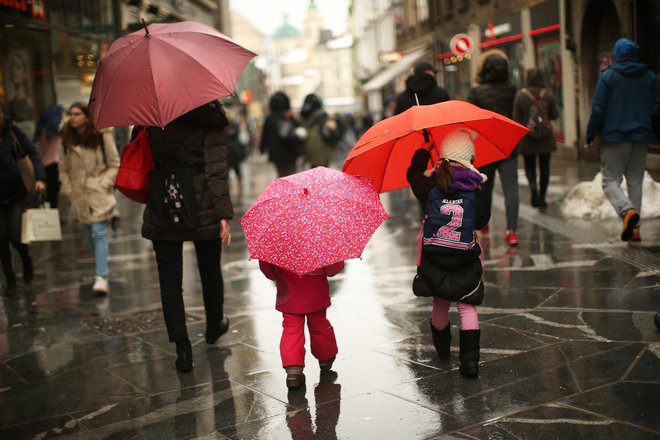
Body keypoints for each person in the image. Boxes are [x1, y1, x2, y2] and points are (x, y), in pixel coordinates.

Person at [141, 100, 232, 373]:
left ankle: (182, 348)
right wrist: (223, 214)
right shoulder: (211, 116)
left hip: (163, 200)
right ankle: (214, 324)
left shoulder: (150, 113)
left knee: (170, 280)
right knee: (209, 271)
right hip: (202, 202)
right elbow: (216, 170)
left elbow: (141, 155)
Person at [406, 127, 491, 378]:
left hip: (435, 257)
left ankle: (443, 350)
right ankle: (470, 363)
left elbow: (411, 174)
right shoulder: (477, 187)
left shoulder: (430, 183)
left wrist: (423, 152)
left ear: (443, 157)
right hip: (464, 257)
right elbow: (481, 221)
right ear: (470, 159)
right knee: (467, 307)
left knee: (440, 301)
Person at [586, 38, 660, 242]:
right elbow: (655, 105)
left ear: (617, 55)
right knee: (636, 181)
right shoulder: (649, 77)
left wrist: (591, 134)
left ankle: (627, 212)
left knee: (610, 181)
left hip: (615, 137)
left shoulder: (608, 77)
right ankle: (634, 229)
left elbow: (598, 109)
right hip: (641, 136)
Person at [59, 102, 119, 294]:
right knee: (88, 234)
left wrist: (103, 184)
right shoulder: (66, 139)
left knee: (98, 232)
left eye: (77, 113)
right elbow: (63, 168)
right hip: (79, 195)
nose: (72, 117)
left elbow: (114, 163)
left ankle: (101, 276)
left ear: (86, 116)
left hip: (98, 192)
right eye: (70, 113)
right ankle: (101, 269)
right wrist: (69, 190)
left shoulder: (102, 135)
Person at [259, 260, 343, 389]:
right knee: (319, 325)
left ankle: (293, 370)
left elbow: (269, 271)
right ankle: (326, 357)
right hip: (316, 290)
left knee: (291, 329)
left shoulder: (276, 241)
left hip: (288, 291)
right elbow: (333, 269)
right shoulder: (320, 240)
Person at [467, 49, 519, 246]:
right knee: (511, 188)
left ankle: (483, 224)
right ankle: (512, 231)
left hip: (484, 146)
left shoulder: (476, 91)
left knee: (484, 188)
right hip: (508, 145)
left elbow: (468, 118)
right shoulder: (513, 89)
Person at [0, 109, 46, 297]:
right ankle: (10, 279)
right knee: (1, 240)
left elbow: (34, 153)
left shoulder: (12, 131)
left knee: (16, 236)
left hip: (16, 194)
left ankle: (25, 258)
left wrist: (40, 178)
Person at [513, 68, 560, 208]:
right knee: (545, 167)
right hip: (546, 138)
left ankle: (533, 188)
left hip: (528, 138)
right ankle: (543, 197)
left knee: (530, 166)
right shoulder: (548, 94)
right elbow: (555, 114)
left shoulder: (521, 95)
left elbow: (516, 117)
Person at [259, 91, 302, 177]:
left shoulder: (269, 118)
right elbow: (298, 132)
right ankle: (291, 190)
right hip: (290, 152)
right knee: (292, 175)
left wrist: (262, 148)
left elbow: (265, 135)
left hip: (276, 153)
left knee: (281, 175)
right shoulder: (289, 116)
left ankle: (282, 189)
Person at [34, 104, 64, 209]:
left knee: (49, 194)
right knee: (54, 194)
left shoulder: (41, 131)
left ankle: (51, 216)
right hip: (55, 164)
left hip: (44, 165)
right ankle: (54, 218)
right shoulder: (56, 132)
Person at [300, 93, 340, 168]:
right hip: (323, 153)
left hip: (316, 153)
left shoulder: (305, 118)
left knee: (317, 174)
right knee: (321, 174)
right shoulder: (326, 118)